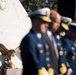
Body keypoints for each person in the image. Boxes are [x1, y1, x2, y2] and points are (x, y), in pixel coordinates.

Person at [20, 8, 54, 75]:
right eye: (44, 22)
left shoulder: (41, 39)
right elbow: (33, 62)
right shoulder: (29, 39)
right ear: (35, 22)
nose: (47, 25)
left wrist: (50, 68)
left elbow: (47, 59)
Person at [42, 10, 67, 75]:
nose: (58, 26)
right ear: (49, 21)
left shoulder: (54, 37)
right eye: (57, 22)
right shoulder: (42, 36)